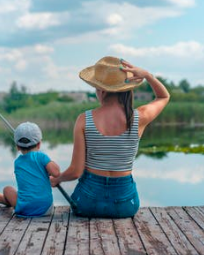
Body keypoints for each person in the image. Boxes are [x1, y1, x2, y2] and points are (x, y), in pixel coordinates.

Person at [50, 56, 170, 218]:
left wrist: (58, 179)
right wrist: (147, 75)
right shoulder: (140, 117)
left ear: (102, 90)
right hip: (126, 205)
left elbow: (75, 171)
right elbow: (163, 96)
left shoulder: (84, 119)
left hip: (87, 203)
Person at [0, 122, 60, 217]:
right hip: (46, 209)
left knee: (7, 189)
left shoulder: (17, 162)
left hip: (24, 209)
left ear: (17, 146)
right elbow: (56, 172)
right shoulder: (42, 157)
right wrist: (48, 163)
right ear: (39, 144)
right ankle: (6, 200)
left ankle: (5, 200)